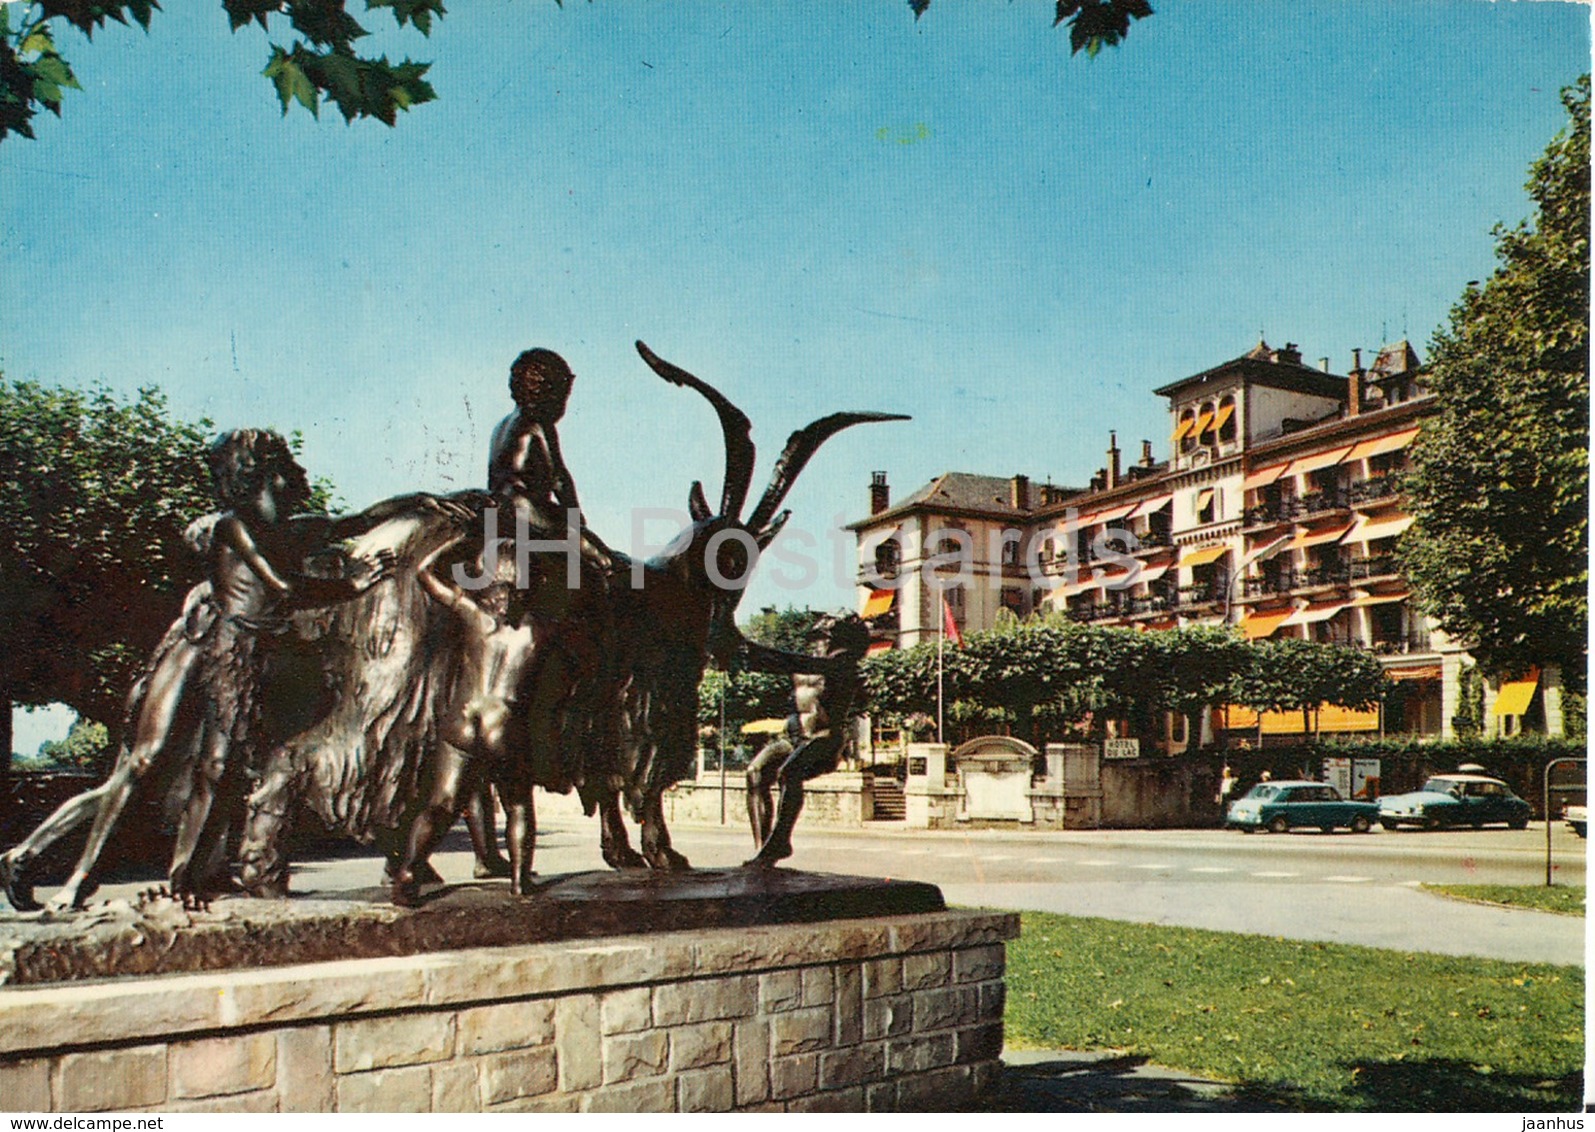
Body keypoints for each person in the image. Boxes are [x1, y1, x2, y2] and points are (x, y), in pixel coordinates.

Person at [0, 430, 396, 912]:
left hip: (245, 659)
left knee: (213, 768)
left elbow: (354, 521)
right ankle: (69, 875)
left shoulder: (289, 530)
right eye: (289, 464)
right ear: (266, 474)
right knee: (144, 765)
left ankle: (184, 875)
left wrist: (442, 507)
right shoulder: (230, 538)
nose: (301, 473)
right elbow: (278, 587)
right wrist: (348, 584)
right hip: (201, 653)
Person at [389, 534, 546, 906]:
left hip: (462, 719)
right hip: (504, 726)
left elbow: (424, 572)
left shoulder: (472, 612)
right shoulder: (540, 628)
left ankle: (410, 869)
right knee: (518, 804)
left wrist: (453, 540)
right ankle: (521, 882)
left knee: (441, 803)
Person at [734, 614, 870, 868]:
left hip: (824, 739)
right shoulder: (810, 662)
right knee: (755, 772)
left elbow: (787, 661)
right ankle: (765, 849)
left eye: (825, 637)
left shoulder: (842, 665)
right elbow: (785, 664)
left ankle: (780, 841)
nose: (819, 643)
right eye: (818, 637)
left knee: (790, 772)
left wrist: (750, 651)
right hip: (794, 739)